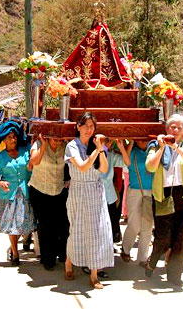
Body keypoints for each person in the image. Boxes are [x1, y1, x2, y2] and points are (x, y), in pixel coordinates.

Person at [145, 114, 183, 287]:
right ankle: (152, 260)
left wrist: (176, 147)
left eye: (178, 128)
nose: (174, 130)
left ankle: (175, 275)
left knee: (180, 238)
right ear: (166, 129)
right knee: (163, 236)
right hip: (163, 195)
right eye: (171, 127)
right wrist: (161, 148)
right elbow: (150, 166)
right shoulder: (155, 145)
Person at [64, 112, 112, 290]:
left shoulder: (97, 145)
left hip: (96, 191)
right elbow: (83, 167)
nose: (88, 130)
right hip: (78, 190)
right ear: (78, 126)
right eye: (85, 126)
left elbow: (104, 169)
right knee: (76, 229)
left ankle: (94, 274)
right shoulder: (72, 146)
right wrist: (98, 150)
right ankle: (69, 263)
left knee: (97, 232)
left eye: (92, 127)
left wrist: (100, 149)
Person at [0, 120, 35, 266]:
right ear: (4, 139)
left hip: (25, 192)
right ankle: (15, 253)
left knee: (25, 225)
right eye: (9, 137)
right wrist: (0, 183)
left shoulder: (25, 151)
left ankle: (12, 247)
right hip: (9, 195)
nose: (13, 139)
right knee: (13, 226)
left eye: (14, 136)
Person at [28, 133, 68, 270]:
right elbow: (34, 161)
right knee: (45, 226)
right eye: (55, 139)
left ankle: (61, 254)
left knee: (61, 224)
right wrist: (44, 146)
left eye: (60, 139)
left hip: (59, 189)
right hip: (40, 190)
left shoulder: (66, 146)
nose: (58, 142)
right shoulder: (38, 145)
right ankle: (48, 259)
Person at [121, 139, 154, 266]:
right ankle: (125, 249)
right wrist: (130, 142)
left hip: (151, 192)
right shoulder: (132, 152)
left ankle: (143, 258)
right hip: (135, 191)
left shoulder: (154, 151)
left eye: (145, 138)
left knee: (147, 226)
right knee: (134, 224)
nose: (143, 141)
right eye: (139, 138)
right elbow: (127, 161)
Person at [100, 138, 129, 244]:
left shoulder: (110, 155)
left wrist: (121, 147)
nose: (108, 143)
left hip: (109, 196)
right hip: (96, 196)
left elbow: (126, 163)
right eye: (106, 140)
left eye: (109, 141)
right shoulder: (91, 153)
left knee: (109, 226)